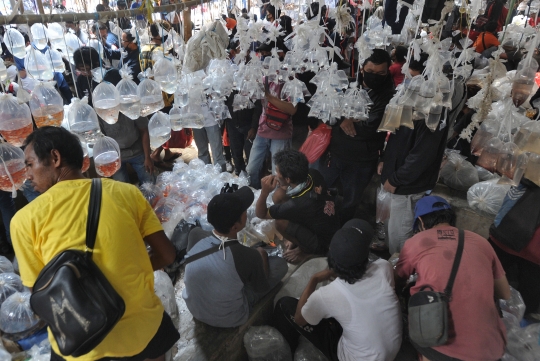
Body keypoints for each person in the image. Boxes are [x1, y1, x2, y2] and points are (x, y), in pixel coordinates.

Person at [11, 126, 179, 361]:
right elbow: (168, 255)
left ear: (55, 158)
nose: (27, 175)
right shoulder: (127, 193)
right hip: (142, 333)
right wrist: (131, 268)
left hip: (81, 344)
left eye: (29, 164)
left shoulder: (24, 221)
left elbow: (41, 294)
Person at [394, 196, 509, 361]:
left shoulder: (417, 241)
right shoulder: (481, 242)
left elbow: (397, 282)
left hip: (440, 347)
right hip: (490, 348)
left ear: (420, 221)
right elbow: (504, 293)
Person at [273, 219, 402, 361]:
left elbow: (299, 319)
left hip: (354, 357)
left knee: (283, 304)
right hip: (391, 351)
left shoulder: (328, 294)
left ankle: (286, 353)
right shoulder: (384, 267)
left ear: (331, 260)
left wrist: (314, 279)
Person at [182, 186, 288, 328]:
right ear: (235, 227)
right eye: (244, 212)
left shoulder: (195, 234)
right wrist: (260, 256)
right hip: (230, 318)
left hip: (196, 310)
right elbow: (260, 287)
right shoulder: (248, 256)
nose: (246, 212)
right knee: (280, 265)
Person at [379, 53, 450, 254]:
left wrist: (396, 179)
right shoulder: (410, 100)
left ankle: (400, 268)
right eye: (408, 77)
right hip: (396, 176)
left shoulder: (433, 109)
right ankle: (390, 255)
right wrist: (386, 160)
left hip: (407, 185)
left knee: (401, 232)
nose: (409, 82)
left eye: (414, 78)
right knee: (389, 226)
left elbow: (422, 155)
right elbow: (397, 137)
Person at [318, 49, 394, 223]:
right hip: (335, 152)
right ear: (362, 69)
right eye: (370, 72)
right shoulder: (348, 85)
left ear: (387, 71)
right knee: (322, 191)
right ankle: (321, 225)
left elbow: (370, 128)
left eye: (381, 73)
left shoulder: (388, 96)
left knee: (350, 201)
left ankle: (340, 231)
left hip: (362, 160)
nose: (375, 76)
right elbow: (328, 112)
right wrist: (345, 119)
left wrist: (347, 118)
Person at [255, 149, 340, 264]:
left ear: (288, 179)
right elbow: (286, 192)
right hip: (326, 220)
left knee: (280, 223)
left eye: (277, 172)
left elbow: (261, 214)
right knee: (279, 195)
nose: (275, 175)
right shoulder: (312, 173)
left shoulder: (296, 205)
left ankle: (305, 250)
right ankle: (299, 238)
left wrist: (264, 192)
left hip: (323, 242)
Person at [489, 182, 540, 321]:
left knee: (485, 274)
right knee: (529, 296)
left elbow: (522, 178)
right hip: (533, 250)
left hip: (512, 232)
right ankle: (519, 331)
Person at [246, 52, 297, 189]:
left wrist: (270, 97)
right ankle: (256, 196)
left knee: (278, 173)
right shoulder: (264, 80)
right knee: (251, 169)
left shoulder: (290, 81)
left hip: (281, 133)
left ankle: (274, 203)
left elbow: (292, 109)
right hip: (262, 130)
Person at [98, 69, 154, 185]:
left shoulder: (132, 105)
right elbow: (101, 139)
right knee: (121, 187)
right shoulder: (101, 109)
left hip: (137, 150)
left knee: (150, 182)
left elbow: (144, 131)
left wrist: (148, 157)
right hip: (116, 156)